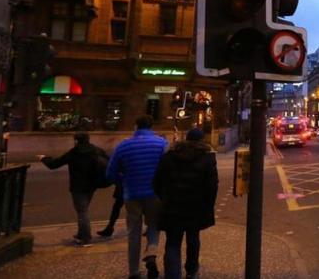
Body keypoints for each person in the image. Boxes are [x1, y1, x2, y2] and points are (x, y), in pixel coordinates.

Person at [106, 115, 167, 279]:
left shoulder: (123, 146)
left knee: (133, 232)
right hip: (154, 193)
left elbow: (110, 174)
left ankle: (134, 271)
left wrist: (124, 180)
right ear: (151, 127)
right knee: (154, 225)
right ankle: (151, 253)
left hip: (132, 193)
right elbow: (167, 169)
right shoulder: (161, 144)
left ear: (136, 127)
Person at [154, 129, 218, 279]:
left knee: (173, 241)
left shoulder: (169, 157)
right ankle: (191, 271)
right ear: (201, 141)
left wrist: (164, 199)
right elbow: (212, 186)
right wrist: (208, 205)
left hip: (172, 206)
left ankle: (172, 275)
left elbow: (157, 182)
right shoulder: (207, 159)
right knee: (193, 238)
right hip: (196, 207)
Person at [40, 132, 106, 247]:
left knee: (82, 211)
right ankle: (81, 234)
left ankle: (86, 239)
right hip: (92, 185)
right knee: (83, 209)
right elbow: (109, 162)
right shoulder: (97, 150)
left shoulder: (74, 153)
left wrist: (44, 158)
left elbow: (54, 164)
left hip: (78, 186)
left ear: (76, 140)